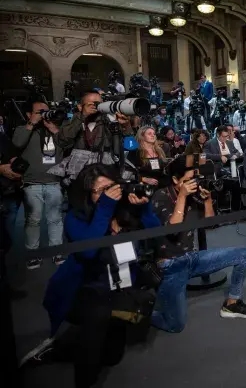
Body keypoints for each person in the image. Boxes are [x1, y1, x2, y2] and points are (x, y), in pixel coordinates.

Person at [40, 164, 159, 388]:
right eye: (100, 190)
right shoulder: (76, 218)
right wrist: (105, 208)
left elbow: (156, 236)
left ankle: (68, 344)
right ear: (87, 194)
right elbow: (88, 251)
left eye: (111, 187)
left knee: (112, 357)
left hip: (118, 289)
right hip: (83, 290)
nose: (108, 194)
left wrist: (144, 209)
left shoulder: (125, 212)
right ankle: (80, 376)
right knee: (97, 318)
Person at [151, 158, 246, 333]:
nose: (192, 184)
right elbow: (173, 230)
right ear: (176, 180)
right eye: (188, 181)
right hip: (171, 264)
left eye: (194, 180)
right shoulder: (161, 196)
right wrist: (183, 197)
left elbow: (210, 224)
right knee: (176, 325)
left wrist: (207, 200)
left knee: (243, 254)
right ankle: (144, 313)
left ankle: (232, 303)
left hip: (192, 258)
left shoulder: (193, 195)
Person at [13, 100, 71, 269]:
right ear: (28, 115)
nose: (45, 114)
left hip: (54, 182)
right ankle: (33, 255)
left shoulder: (56, 130)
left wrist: (53, 128)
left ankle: (57, 252)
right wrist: (33, 123)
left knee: (55, 219)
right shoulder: (23, 129)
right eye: (39, 112)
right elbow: (17, 143)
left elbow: (67, 145)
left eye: (47, 111)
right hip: (32, 183)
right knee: (33, 220)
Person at [58, 91, 134, 153]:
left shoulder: (109, 122)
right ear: (80, 107)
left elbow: (131, 147)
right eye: (91, 104)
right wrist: (82, 117)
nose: (96, 107)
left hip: (104, 169)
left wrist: (126, 127)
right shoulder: (72, 122)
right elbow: (63, 142)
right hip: (79, 169)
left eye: (99, 104)